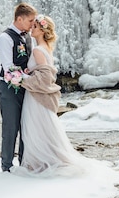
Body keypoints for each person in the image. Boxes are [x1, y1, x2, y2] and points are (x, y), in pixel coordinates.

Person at [11, 15, 89, 177]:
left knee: (35, 129)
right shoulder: (45, 47)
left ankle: (41, 163)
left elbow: (45, 79)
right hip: (38, 97)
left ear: (42, 31)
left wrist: (22, 79)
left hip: (36, 98)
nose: (31, 28)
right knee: (44, 129)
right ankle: (45, 159)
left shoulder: (39, 50)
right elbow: (42, 72)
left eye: (35, 27)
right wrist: (29, 72)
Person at [0, 2, 37, 172]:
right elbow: (9, 68)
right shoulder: (5, 38)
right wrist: (31, 80)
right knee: (10, 128)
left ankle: (23, 163)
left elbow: (25, 62)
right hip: (9, 90)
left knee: (26, 126)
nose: (32, 24)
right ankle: (6, 167)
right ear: (19, 19)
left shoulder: (27, 36)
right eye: (30, 21)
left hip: (25, 88)